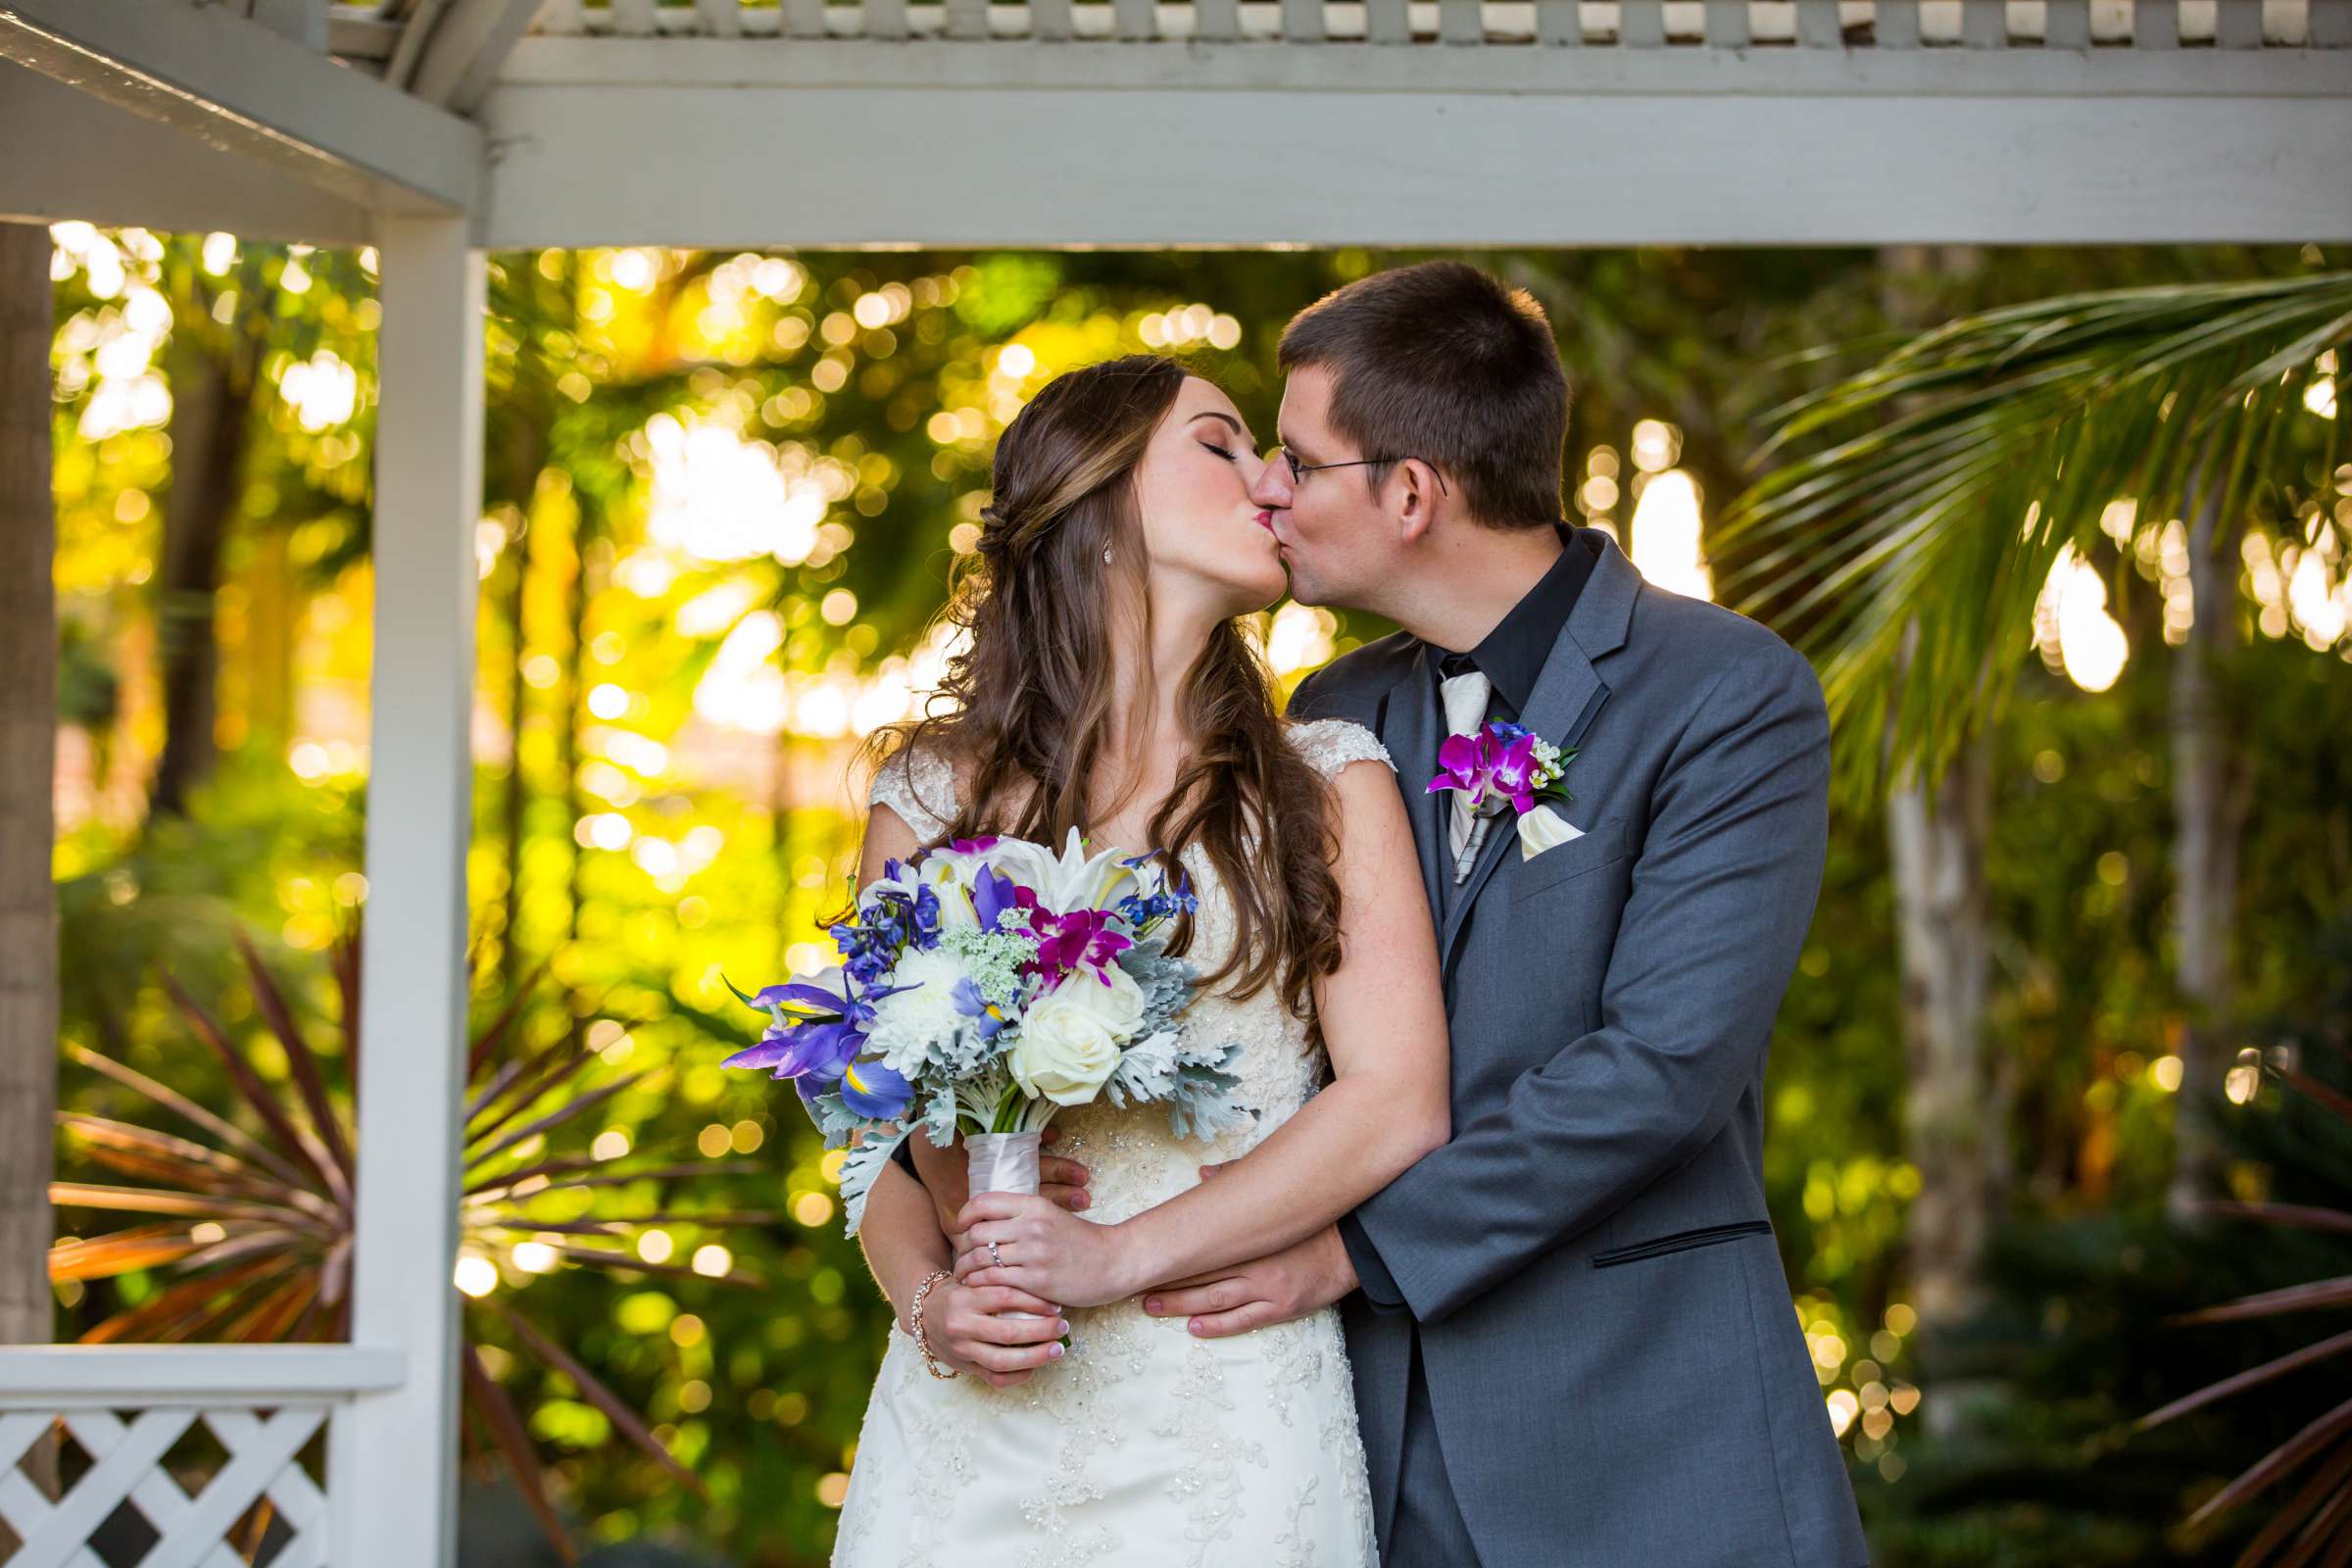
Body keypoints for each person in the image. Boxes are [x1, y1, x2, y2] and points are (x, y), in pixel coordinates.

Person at [1134, 260, 1871, 1566]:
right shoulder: (1330, 715)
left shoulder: (1728, 694)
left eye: (1298, 461)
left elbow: (1664, 1069)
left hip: (1643, 1431)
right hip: (1361, 1443)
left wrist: (1356, 1248)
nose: (1267, 489)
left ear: (1412, 492)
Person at [829, 353, 1451, 1565]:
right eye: (1220, 444)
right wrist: (934, 1306)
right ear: (1098, 494)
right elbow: (876, 1137)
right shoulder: (932, 796)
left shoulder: (1327, 779)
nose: (1273, 478)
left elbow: (1396, 1102)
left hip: (1225, 1405)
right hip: (978, 1431)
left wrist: (1117, 1256)